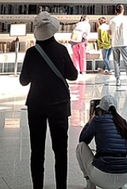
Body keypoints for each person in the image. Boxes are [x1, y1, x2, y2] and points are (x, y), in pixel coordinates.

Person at [19, 11, 78, 189]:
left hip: (36, 105)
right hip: (59, 104)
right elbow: (73, 75)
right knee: (60, 150)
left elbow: (23, 81)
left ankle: (38, 186)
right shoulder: (61, 50)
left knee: (37, 150)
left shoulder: (31, 53)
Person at [77, 94, 127, 189]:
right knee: (119, 150)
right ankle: (122, 186)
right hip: (125, 175)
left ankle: (90, 185)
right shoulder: (123, 122)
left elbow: (83, 139)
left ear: (99, 109)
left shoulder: (98, 120)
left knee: (80, 147)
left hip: (102, 176)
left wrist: (91, 120)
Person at [109, 4, 127, 88]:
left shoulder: (112, 20)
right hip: (123, 42)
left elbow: (109, 32)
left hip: (114, 43)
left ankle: (117, 80)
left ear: (115, 11)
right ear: (123, 10)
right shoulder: (126, 19)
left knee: (116, 62)